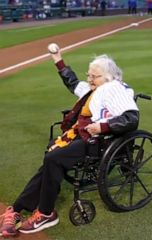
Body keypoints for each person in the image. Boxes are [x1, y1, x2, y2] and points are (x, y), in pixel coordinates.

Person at [0, 45, 139, 237]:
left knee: (53, 159)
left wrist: (102, 127)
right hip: (86, 137)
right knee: (51, 159)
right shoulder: (95, 89)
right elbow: (73, 82)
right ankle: (17, 208)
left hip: (99, 141)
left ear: (107, 77)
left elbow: (131, 118)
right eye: (89, 75)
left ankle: (46, 213)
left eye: (94, 76)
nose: (89, 79)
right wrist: (58, 58)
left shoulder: (112, 88)